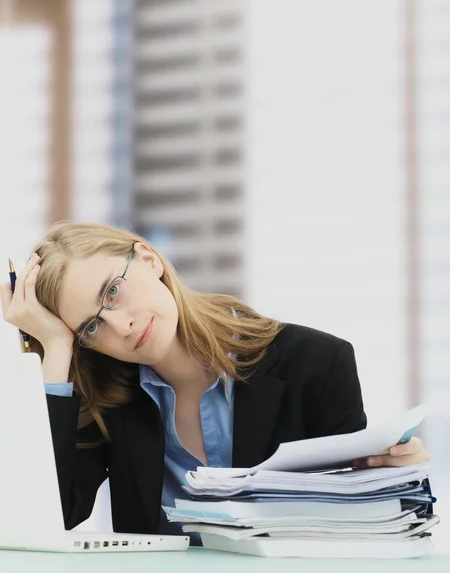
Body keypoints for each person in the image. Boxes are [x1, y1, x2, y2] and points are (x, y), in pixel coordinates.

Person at [0, 221, 430, 539]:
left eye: (113, 291)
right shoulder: (111, 402)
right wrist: (55, 348)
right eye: (91, 328)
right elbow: (49, 515)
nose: (122, 325)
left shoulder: (317, 363)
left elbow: (362, 521)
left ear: (149, 259)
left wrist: (393, 479)